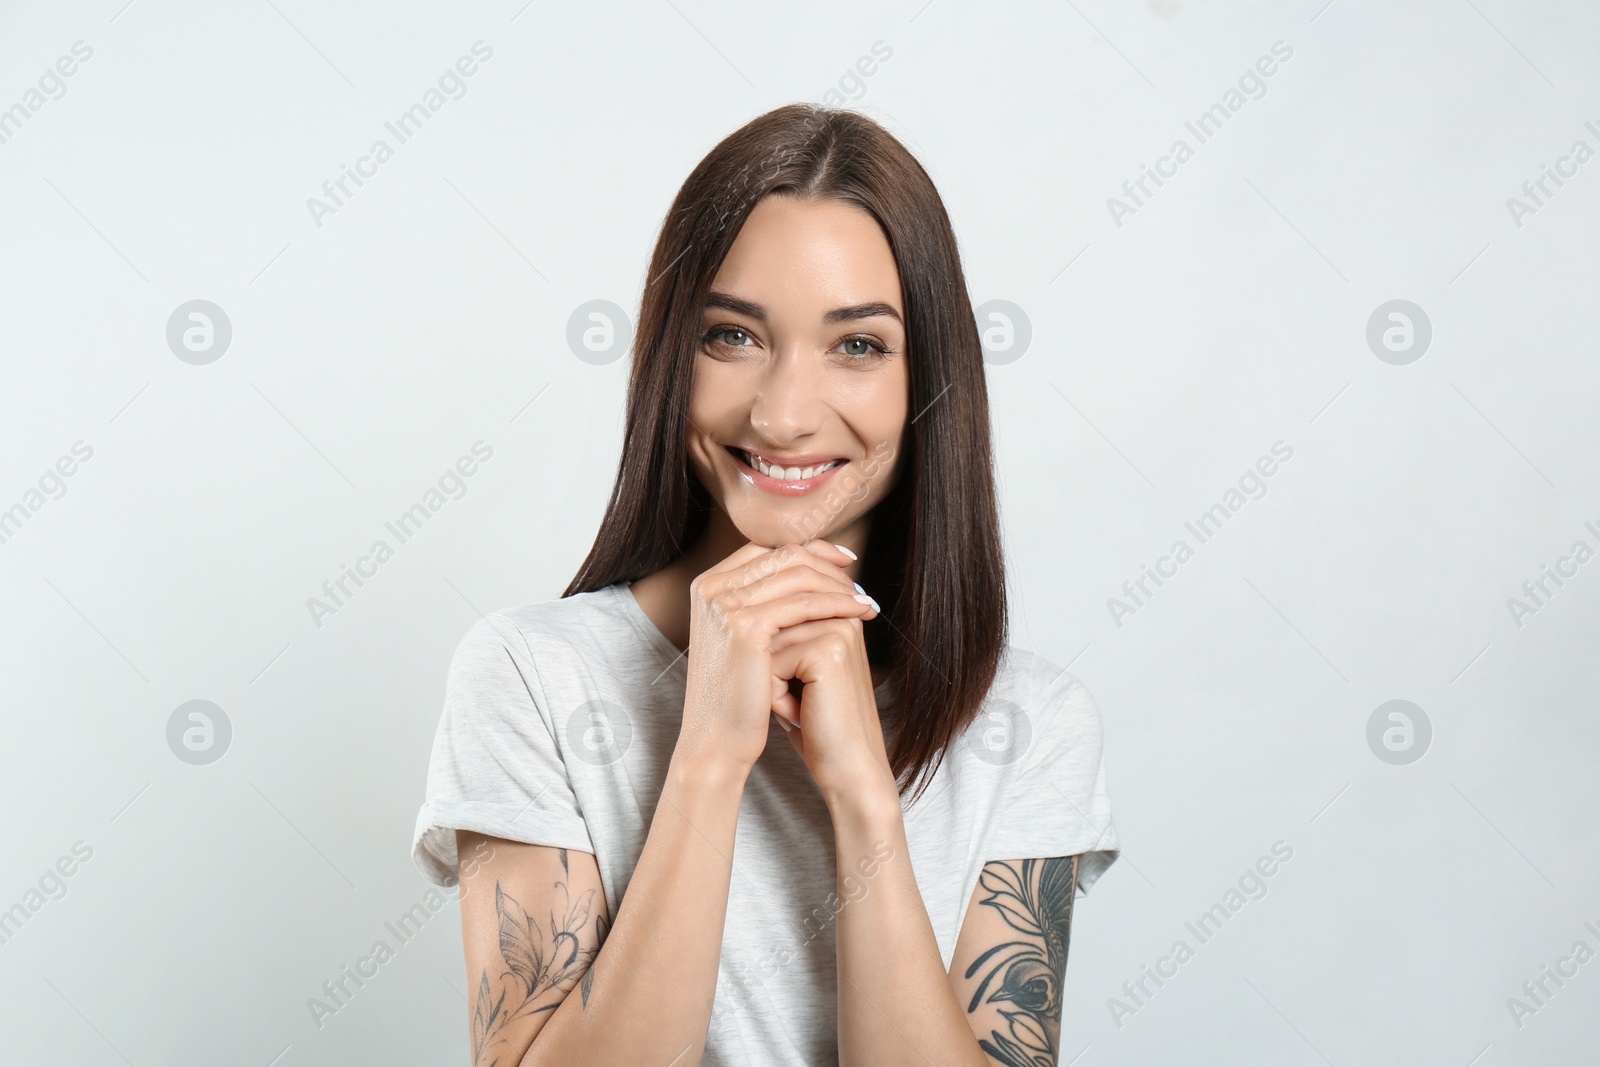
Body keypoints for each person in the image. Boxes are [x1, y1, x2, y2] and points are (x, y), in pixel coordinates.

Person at [411, 103, 1119, 1067]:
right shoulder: (532, 676)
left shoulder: (1032, 725)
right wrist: (706, 756)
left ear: (929, 381)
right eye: (733, 336)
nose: (783, 414)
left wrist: (865, 794)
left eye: (858, 346)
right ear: (671, 355)